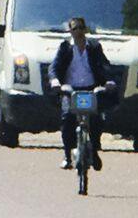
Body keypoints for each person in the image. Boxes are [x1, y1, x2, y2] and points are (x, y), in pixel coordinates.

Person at [48, 15, 123, 172]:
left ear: (85, 29)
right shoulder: (65, 48)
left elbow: (104, 65)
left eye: (81, 28)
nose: (79, 32)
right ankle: (67, 155)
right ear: (70, 31)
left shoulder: (94, 47)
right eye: (75, 29)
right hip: (71, 90)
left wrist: (109, 81)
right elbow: (54, 67)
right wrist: (55, 81)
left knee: (95, 120)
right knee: (68, 118)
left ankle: (94, 151)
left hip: (90, 89)